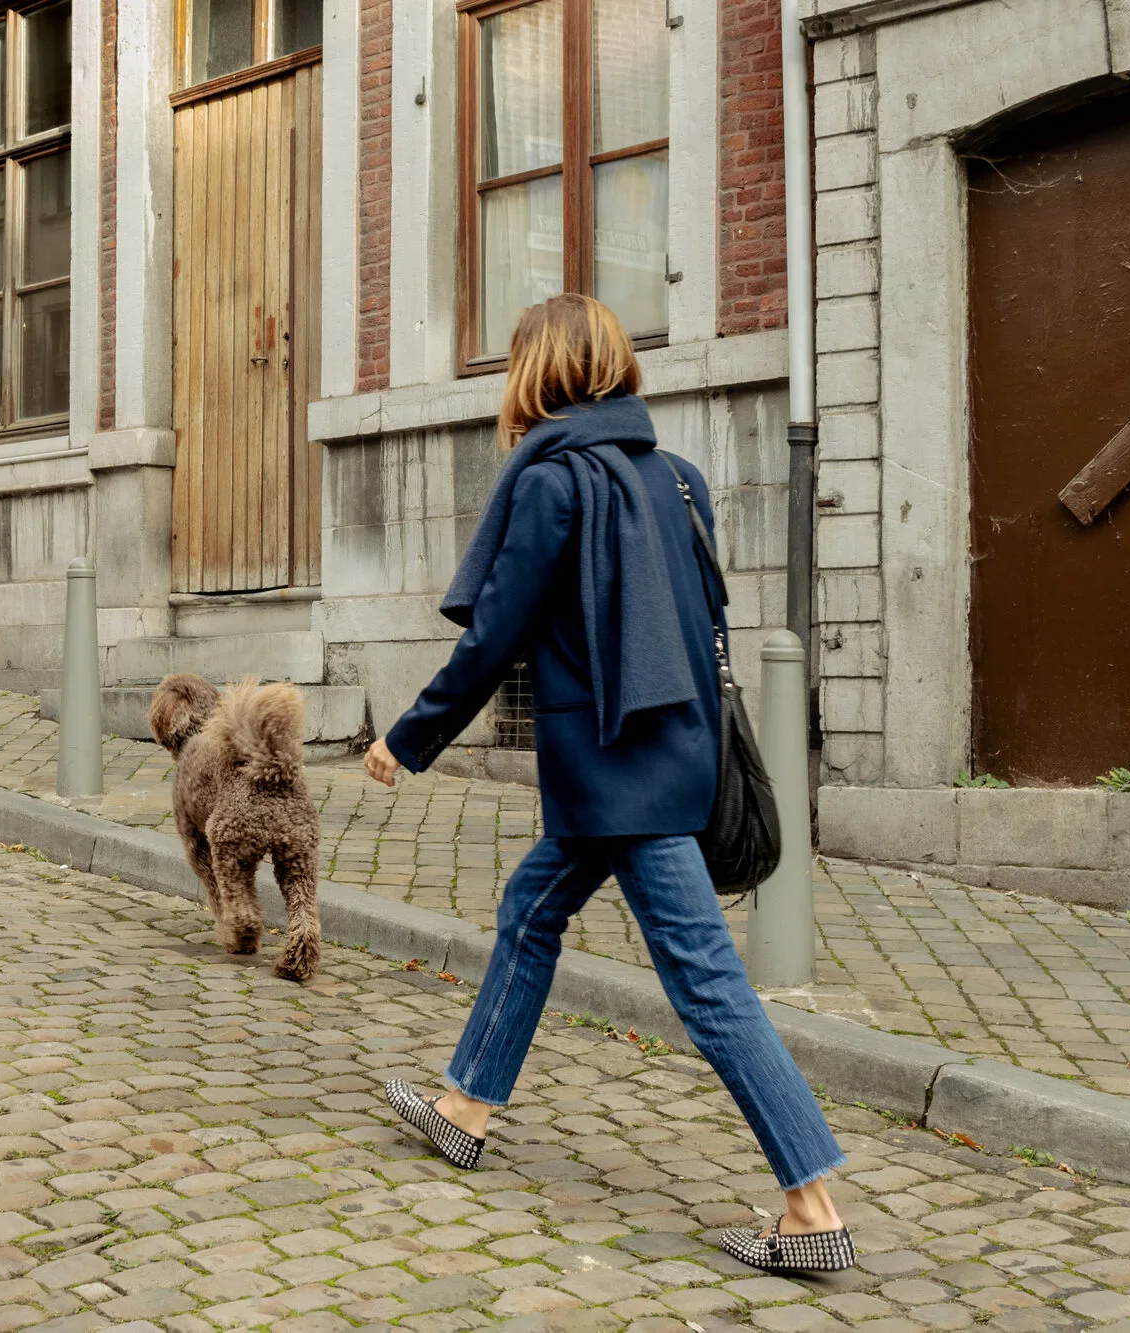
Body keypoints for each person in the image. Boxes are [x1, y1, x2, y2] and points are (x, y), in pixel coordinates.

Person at [363, 294, 852, 1275]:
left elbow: (493, 635)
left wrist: (408, 737)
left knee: (706, 985)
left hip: (612, 774)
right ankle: (464, 1106)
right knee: (528, 909)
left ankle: (812, 1208)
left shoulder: (551, 485)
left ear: (534, 374)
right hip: (667, 757)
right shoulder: (678, 479)